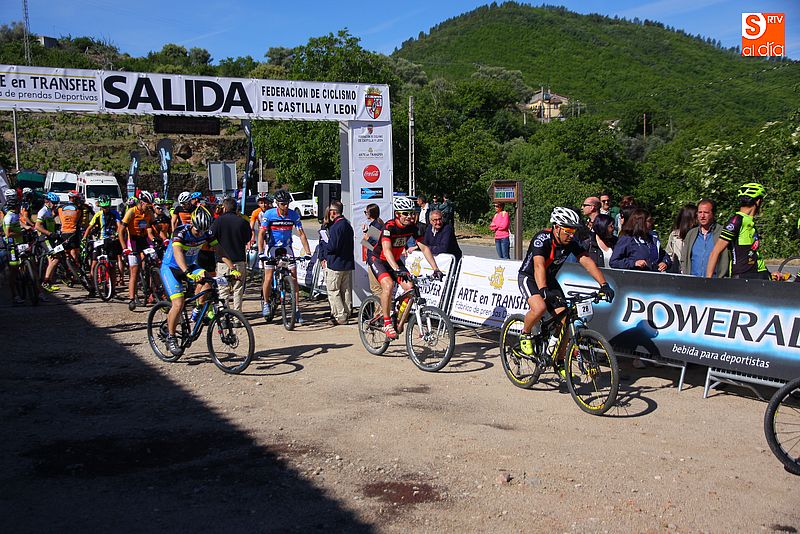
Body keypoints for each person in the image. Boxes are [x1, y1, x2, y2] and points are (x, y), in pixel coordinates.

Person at [517, 207, 613, 380]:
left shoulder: (571, 242)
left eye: (573, 231)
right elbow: (538, 266)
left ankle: (560, 361)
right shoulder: (542, 239)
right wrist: (543, 290)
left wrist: (604, 284)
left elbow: (587, 261)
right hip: (530, 277)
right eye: (568, 230)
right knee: (539, 307)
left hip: (549, 279)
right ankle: (525, 333)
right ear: (556, 227)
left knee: (564, 319)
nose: (571, 235)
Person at [159, 207, 237, 357]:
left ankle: (198, 309)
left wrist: (232, 268)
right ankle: (171, 337)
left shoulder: (206, 233)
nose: (200, 234)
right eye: (198, 231)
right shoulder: (181, 232)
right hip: (172, 268)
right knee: (178, 303)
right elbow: (178, 253)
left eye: (203, 231)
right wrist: (187, 272)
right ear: (192, 224)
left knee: (209, 280)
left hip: (189, 266)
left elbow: (219, 250)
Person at [370, 196, 443, 339]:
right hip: (379, 260)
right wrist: (397, 269)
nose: (410, 216)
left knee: (410, 288)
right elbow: (387, 251)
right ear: (397, 214)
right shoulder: (389, 227)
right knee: (388, 285)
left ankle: (398, 315)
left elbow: (424, 248)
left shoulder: (413, 228)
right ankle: (387, 322)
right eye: (406, 213)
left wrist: (436, 268)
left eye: (412, 213)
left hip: (395, 261)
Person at [257, 189, 312, 323]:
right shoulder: (269, 214)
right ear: (277, 203)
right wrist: (261, 252)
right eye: (283, 204)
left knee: (294, 278)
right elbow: (261, 234)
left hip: (287, 247)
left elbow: (301, 234)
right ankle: (266, 303)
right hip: (272, 248)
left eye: (287, 203)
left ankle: (296, 309)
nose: (286, 206)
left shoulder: (293, 215)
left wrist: (308, 252)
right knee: (268, 277)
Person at [706, 183, 769, 279]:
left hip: (759, 274)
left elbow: (754, 253)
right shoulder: (737, 220)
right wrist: (708, 281)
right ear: (758, 201)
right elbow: (715, 252)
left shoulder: (750, 222)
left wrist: (769, 274)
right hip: (743, 276)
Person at [210, 197, 251, 312]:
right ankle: (237, 316)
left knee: (223, 291)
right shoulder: (242, 221)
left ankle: (224, 315)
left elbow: (211, 237)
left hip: (222, 262)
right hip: (239, 260)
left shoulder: (218, 221)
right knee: (238, 290)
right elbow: (247, 238)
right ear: (236, 208)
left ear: (224, 208)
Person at [120, 190, 157, 309]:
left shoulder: (149, 212)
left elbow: (155, 226)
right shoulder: (131, 212)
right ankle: (131, 298)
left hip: (144, 240)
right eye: (147, 205)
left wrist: (161, 239)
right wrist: (124, 248)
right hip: (133, 241)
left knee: (155, 261)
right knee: (134, 270)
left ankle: (155, 291)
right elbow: (120, 230)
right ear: (141, 202)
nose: (149, 207)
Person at [320, 201, 355, 326]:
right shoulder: (347, 224)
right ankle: (347, 311)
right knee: (345, 290)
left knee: (333, 290)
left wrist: (326, 244)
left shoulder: (336, 227)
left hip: (335, 263)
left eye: (330, 211)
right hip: (347, 263)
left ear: (333, 212)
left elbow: (332, 247)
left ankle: (340, 316)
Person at [82, 195, 123, 293]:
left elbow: (119, 225)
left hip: (111, 240)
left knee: (112, 265)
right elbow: (89, 227)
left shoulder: (115, 213)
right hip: (100, 240)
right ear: (100, 206)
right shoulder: (98, 215)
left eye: (107, 207)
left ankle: (113, 288)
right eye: (104, 207)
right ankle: (92, 287)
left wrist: (117, 233)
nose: (106, 209)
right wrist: (84, 238)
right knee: (93, 264)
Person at [682, 199, 727, 277]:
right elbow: (684, 258)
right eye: (700, 212)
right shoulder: (691, 234)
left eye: (706, 212)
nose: (702, 216)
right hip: (693, 281)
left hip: (715, 281)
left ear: (713, 214)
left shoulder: (722, 233)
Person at [3, 190, 26, 304]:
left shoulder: (15, 214)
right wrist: (20, 233)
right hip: (12, 245)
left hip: (20, 243)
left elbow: (19, 223)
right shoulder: (8, 217)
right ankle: (14, 295)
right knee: (13, 270)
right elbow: (7, 234)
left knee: (27, 262)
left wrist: (26, 227)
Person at [35, 192, 62, 293]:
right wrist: (49, 233)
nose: (55, 205)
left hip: (50, 238)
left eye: (56, 203)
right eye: (54, 203)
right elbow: (37, 226)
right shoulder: (43, 211)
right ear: (47, 201)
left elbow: (50, 221)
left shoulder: (49, 210)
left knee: (51, 260)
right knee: (55, 258)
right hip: (44, 238)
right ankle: (45, 282)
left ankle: (49, 283)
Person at [664, 204, 697, 273]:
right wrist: (665, 263)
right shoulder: (674, 235)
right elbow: (669, 254)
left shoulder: (699, 235)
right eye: (696, 216)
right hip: (678, 273)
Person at [362, 203, 384, 297]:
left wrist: (366, 237)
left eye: (366, 212)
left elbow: (372, 245)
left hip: (375, 260)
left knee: (376, 288)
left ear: (370, 213)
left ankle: (379, 306)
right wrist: (366, 232)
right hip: (377, 259)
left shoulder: (376, 225)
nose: (365, 214)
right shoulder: (377, 224)